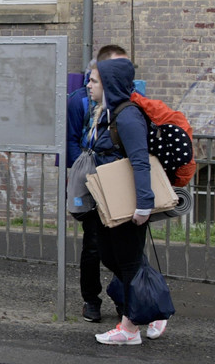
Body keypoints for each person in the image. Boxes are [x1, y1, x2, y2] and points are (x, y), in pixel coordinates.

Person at [88, 56, 166, 345]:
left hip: (129, 203)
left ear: (109, 84)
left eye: (94, 80)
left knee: (131, 262)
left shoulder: (128, 116)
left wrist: (144, 204)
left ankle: (130, 329)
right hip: (111, 202)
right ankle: (153, 305)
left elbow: (140, 162)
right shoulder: (106, 114)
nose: (88, 85)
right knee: (110, 255)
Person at [66, 44, 128, 323]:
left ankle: (124, 299)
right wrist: (87, 177)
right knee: (92, 245)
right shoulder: (80, 100)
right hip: (93, 185)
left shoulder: (129, 100)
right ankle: (91, 299)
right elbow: (69, 142)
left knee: (122, 246)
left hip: (119, 185)